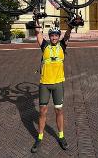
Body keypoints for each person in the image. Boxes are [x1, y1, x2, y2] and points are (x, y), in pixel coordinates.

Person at [31, 15, 83, 153]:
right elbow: (38, 32)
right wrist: (36, 19)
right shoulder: (44, 46)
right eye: (52, 36)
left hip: (58, 84)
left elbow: (67, 34)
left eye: (56, 36)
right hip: (45, 84)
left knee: (59, 110)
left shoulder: (62, 45)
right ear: (49, 37)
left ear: (58, 37)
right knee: (42, 111)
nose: (54, 38)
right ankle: (40, 137)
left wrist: (71, 25)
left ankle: (61, 136)